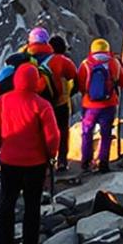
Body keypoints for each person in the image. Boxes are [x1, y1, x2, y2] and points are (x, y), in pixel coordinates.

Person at [0, 62, 61, 244]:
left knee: (7, 202)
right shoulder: (42, 105)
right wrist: (51, 154)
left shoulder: (2, 102)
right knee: (32, 204)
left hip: (9, 160)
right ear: (36, 82)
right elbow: (52, 136)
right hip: (35, 163)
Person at [76, 37, 123, 173]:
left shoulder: (86, 64)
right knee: (106, 134)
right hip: (109, 105)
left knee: (87, 133)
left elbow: (80, 84)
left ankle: (86, 162)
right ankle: (103, 162)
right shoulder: (114, 63)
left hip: (89, 105)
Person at [37, 30, 80, 168]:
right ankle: (61, 160)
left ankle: (43, 161)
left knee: (43, 132)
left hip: (40, 103)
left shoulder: (35, 60)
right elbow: (75, 78)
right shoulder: (62, 61)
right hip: (60, 103)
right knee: (62, 131)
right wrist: (69, 94)